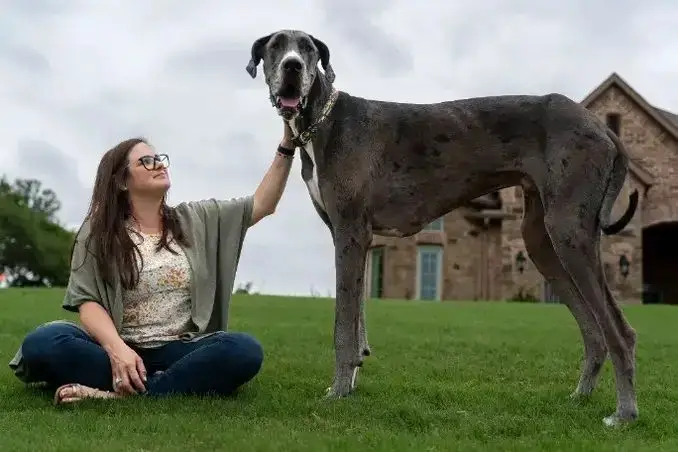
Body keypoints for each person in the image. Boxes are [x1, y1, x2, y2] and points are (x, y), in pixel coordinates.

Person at [8, 123, 296, 404]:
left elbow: (261, 204)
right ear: (121, 181)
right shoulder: (98, 231)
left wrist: (287, 146)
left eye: (159, 159)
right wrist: (118, 350)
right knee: (43, 343)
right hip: (115, 348)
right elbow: (87, 302)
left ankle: (121, 393)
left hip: (178, 349)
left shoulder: (195, 219)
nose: (158, 164)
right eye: (146, 161)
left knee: (243, 350)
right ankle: (160, 384)